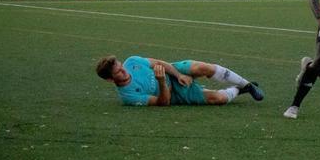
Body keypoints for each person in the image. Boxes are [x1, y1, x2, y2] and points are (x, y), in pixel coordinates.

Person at [96, 55, 263, 106]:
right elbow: (163, 102)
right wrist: (161, 82)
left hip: (172, 72)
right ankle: (240, 90)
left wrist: (178, 75)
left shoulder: (132, 62)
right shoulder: (128, 96)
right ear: (111, 80)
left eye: (121, 66)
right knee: (217, 99)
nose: (124, 70)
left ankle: (247, 84)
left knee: (203, 67)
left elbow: (160, 63)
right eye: (119, 72)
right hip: (172, 94)